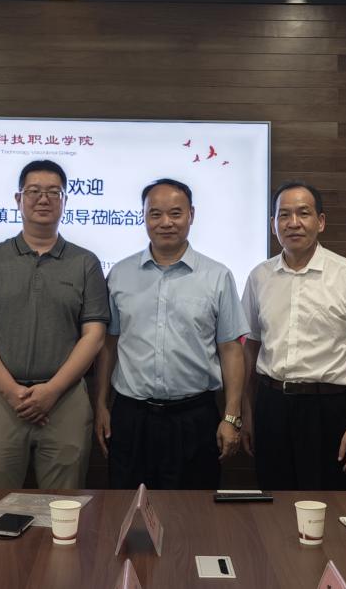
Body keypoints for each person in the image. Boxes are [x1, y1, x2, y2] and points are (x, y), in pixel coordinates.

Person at [0, 159, 109, 493]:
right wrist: (12, 392)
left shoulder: (85, 262)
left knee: (64, 507)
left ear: (65, 200)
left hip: (65, 400)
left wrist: (52, 391)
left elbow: (94, 336)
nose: (44, 199)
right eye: (34, 191)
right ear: (18, 198)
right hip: (0, 399)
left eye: (53, 192)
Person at [94, 178, 248, 489]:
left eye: (175, 213)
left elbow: (231, 349)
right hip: (132, 416)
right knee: (128, 505)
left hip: (194, 417)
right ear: (143, 217)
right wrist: (101, 404)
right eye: (155, 214)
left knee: (192, 509)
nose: (166, 222)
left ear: (192, 215)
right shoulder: (120, 274)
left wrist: (231, 417)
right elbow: (109, 344)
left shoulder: (217, 276)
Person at [240, 181, 346, 491]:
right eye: (284, 215)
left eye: (303, 213)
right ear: (273, 224)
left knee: (331, 502)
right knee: (274, 501)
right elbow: (250, 348)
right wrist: (247, 414)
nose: (293, 223)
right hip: (272, 406)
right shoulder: (259, 276)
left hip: (329, 409)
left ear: (321, 221)